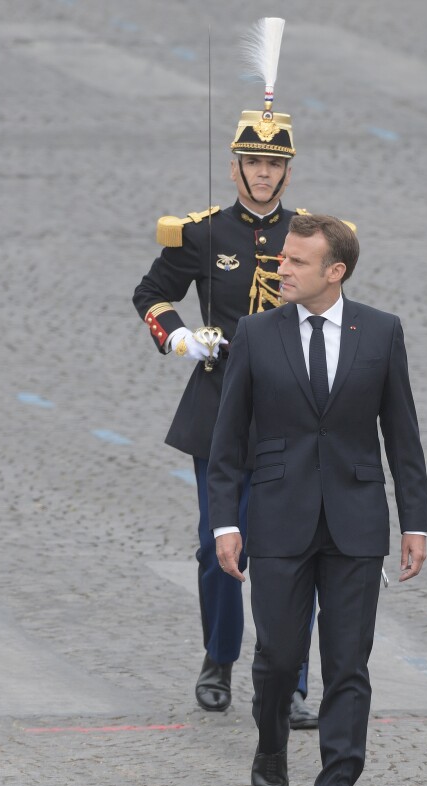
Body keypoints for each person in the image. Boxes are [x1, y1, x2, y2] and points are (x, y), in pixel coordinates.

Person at [207, 214, 427, 786]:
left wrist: (416, 522)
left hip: (357, 521)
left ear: (335, 272)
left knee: (348, 666)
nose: (282, 268)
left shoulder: (381, 333)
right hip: (278, 517)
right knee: (277, 657)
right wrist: (226, 522)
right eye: (282, 259)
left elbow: (403, 436)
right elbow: (227, 444)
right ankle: (271, 749)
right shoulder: (255, 332)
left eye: (297, 262)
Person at [132, 80, 319, 727]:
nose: (264, 174)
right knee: (220, 544)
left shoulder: (312, 236)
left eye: (274, 164)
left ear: (287, 170)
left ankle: (292, 682)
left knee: (291, 550)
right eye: (254, 161)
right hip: (219, 410)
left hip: (293, 414)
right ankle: (218, 655)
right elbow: (151, 295)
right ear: (236, 165)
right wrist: (182, 335)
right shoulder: (205, 233)